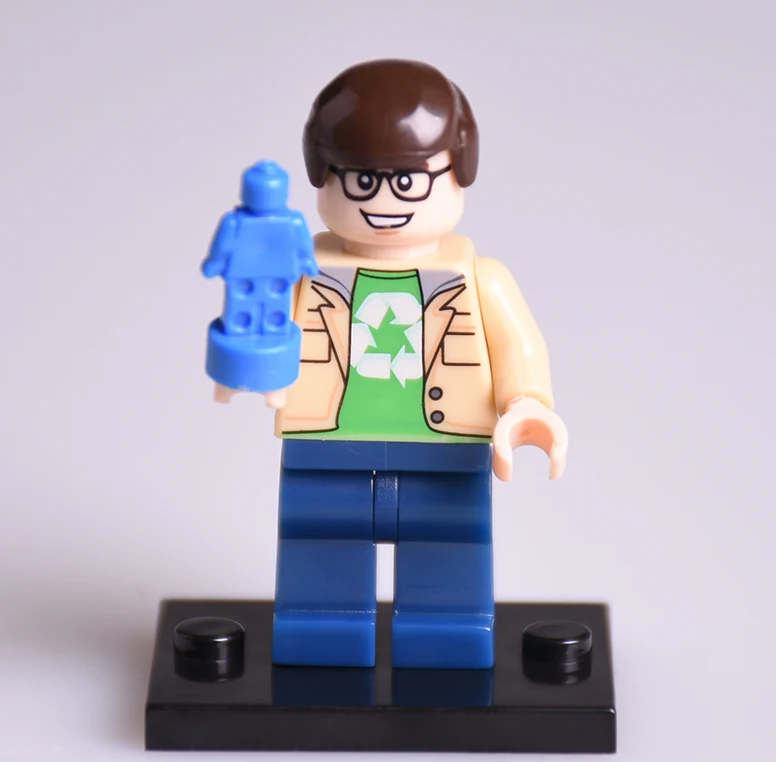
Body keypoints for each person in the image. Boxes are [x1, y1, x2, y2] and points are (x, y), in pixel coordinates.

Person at [216, 59, 567, 669]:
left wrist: (526, 404)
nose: (384, 201)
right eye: (361, 181)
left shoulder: (480, 278)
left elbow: (519, 347)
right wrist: (245, 362)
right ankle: (320, 636)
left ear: (459, 171)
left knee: (449, 553)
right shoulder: (303, 273)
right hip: (326, 445)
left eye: (408, 182)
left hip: (446, 451)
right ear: (324, 176)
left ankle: (447, 637)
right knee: (319, 546)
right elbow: (263, 323)